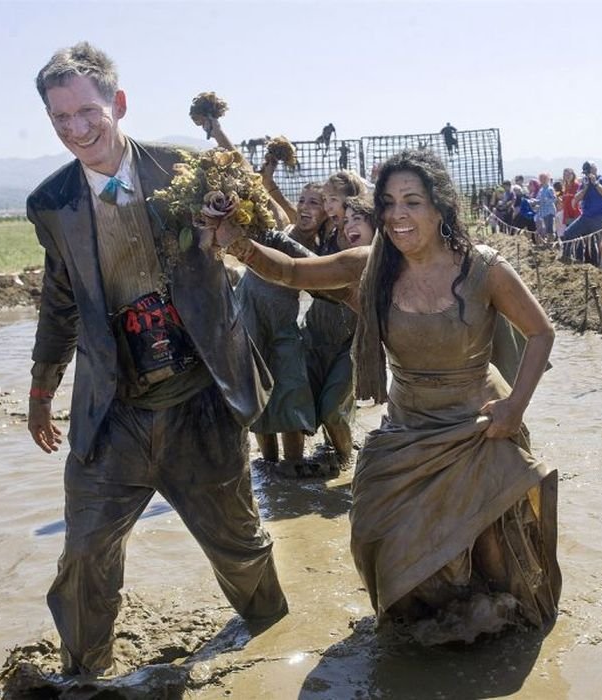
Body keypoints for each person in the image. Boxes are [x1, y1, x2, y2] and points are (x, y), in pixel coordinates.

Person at [209, 150, 561, 641]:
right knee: (377, 532)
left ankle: (496, 644)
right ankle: (427, 633)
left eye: (413, 201)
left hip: (479, 427)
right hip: (407, 428)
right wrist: (240, 247)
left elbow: (541, 334)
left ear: (440, 207)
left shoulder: (484, 269)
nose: (398, 215)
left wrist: (513, 408)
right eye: (390, 202)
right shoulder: (368, 266)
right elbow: (292, 273)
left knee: (490, 553)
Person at [26, 42, 287, 676]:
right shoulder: (50, 204)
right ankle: (83, 676)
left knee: (239, 547)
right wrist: (41, 390)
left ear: (117, 104)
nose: (76, 130)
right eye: (60, 120)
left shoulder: (188, 172)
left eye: (87, 112)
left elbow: (266, 240)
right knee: (85, 550)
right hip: (113, 407)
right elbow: (61, 299)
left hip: (200, 397)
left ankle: (276, 647)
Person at [234, 183, 327, 475]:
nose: (305, 207)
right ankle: (268, 465)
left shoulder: (323, 250)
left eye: (314, 203)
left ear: (328, 212)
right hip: (249, 311)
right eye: (302, 201)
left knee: (292, 385)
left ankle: (293, 463)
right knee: (256, 386)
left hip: (283, 320)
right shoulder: (283, 229)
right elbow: (261, 189)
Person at [301, 196, 375, 471]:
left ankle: (348, 467)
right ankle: (334, 453)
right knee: (310, 406)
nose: (348, 226)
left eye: (357, 219)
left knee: (332, 410)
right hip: (315, 336)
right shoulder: (331, 245)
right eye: (345, 221)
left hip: (352, 345)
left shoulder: (388, 260)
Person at [561, 162, 602, 266]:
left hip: (600, 217)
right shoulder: (584, 182)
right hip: (585, 217)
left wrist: (595, 183)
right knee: (568, 233)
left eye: (589, 171)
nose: (587, 174)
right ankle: (566, 259)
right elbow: (577, 198)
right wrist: (586, 187)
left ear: (595, 170)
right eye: (585, 172)